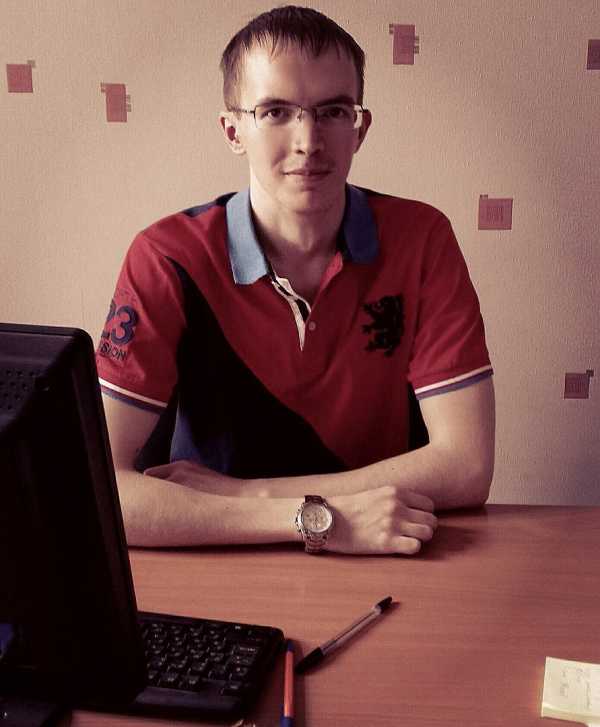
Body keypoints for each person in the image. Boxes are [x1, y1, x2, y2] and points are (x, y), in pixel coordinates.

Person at [96, 6, 495, 556]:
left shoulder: (421, 238)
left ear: (360, 128)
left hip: (384, 549)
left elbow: (467, 465)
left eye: (333, 111)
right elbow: (97, 489)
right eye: (276, 111)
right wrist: (317, 519)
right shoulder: (166, 256)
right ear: (233, 130)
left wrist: (253, 494)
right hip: (214, 555)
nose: (308, 140)